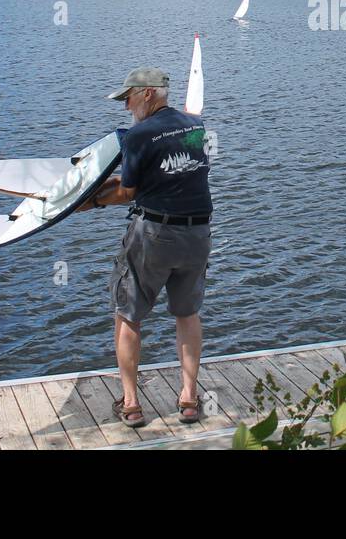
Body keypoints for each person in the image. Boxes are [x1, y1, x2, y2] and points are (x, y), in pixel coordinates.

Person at [88, 66, 212, 427]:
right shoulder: (196, 125)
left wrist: (90, 199)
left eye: (128, 98)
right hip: (199, 234)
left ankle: (131, 404)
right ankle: (188, 399)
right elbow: (176, 171)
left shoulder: (139, 136)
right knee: (187, 314)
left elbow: (127, 192)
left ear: (147, 94)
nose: (126, 106)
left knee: (128, 314)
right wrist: (109, 183)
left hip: (155, 235)